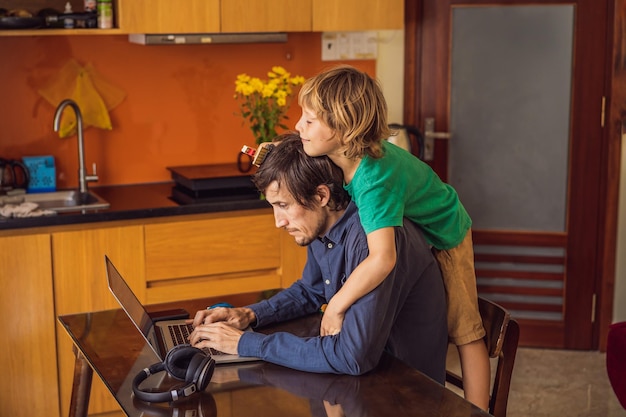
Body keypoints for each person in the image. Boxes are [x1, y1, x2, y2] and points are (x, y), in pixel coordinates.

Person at [294, 64, 490, 409]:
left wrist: (336, 306)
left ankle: (477, 412)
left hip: (446, 233)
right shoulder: (345, 155)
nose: (299, 127)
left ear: (343, 127)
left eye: (309, 121)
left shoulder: (374, 182)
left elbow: (383, 258)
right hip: (417, 232)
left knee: (465, 330)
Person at [188, 132, 448, 383]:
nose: (279, 222)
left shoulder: (370, 236)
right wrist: (249, 315)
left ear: (321, 195)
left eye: (283, 205)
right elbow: (310, 291)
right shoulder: (324, 226)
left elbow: (352, 357)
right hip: (362, 382)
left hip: (402, 393)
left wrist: (245, 343)